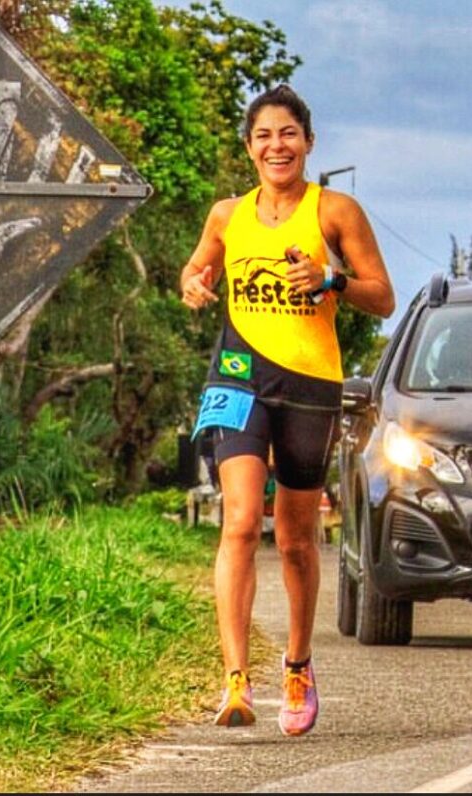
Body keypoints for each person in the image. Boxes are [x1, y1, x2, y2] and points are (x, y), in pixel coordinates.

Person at [180, 84, 394, 736]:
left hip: (308, 383)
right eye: (264, 136)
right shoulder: (226, 215)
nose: (277, 146)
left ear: (307, 142)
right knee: (241, 520)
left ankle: (298, 664)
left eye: (288, 135)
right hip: (239, 374)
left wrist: (330, 279)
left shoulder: (335, 211)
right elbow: (196, 271)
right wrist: (194, 283)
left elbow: (382, 297)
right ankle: (236, 680)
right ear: (249, 147)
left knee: (297, 538)